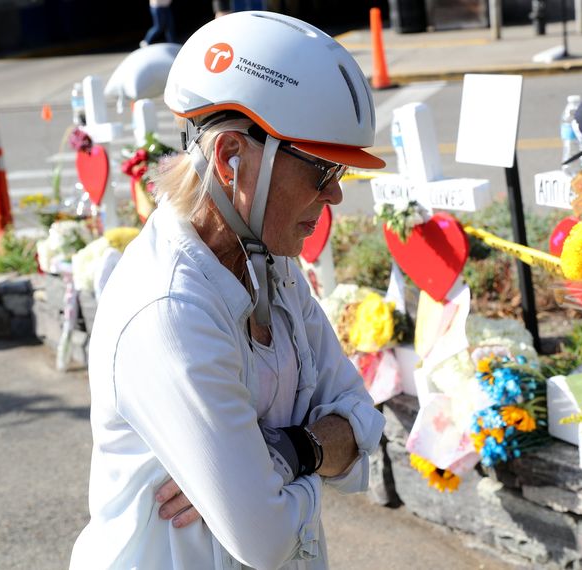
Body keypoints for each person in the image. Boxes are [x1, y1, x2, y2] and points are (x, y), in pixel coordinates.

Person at [70, 11, 386, 569]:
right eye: (321, 170)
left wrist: (286, 453)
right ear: (231, 157)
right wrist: (315, 453)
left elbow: (362, 417)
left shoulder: (269, 263)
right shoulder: (170, 310)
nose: (335, 195)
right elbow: (264, 537)